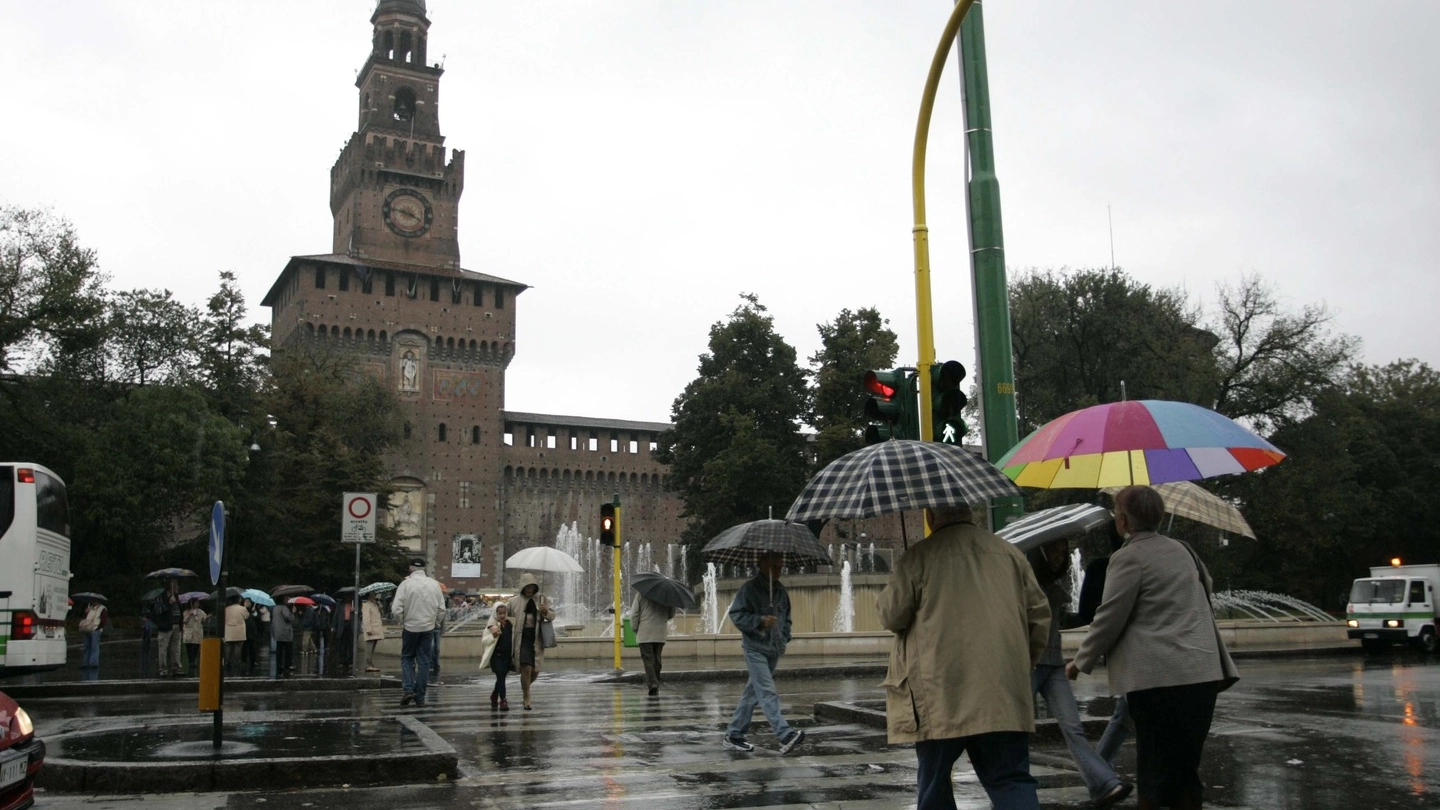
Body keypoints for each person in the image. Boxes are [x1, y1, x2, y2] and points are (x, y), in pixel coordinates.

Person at [1068, 485, 1239, 810]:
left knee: (1154, 768)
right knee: (1185, 768)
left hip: (1158, 682)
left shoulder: (1127, 558)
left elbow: (1109, 615)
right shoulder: (1185, 550)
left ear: (1122, 521)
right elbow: (1207, 587)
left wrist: (1079, 662)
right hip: (1202, 675)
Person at [877, 504, 1051, 810]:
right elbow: (1039, 617)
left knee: (935, 782)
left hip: (939, 691)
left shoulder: (918, 557)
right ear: (970, 512)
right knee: (1010, 779)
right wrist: (1025, 663)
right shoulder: (1010, 554)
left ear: (931, 516)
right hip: (1002, 690)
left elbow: (892, 616)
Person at [1028, 539, 1132, 807]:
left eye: (1063, 553)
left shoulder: (1054, 584)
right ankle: (1010, 790)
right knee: (1012, 729)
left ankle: (1104, 784)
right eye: (1054, 551)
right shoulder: (1026, 582)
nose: (1059, 558)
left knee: (1073, 728)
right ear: (1040, 552)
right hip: (1028, 665)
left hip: (1053, 665)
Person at [722, 552, 805, 755]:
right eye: (774, 567)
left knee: (753, 693)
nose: (778, 571)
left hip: (774, 648)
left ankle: (734, 734)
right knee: (767, 691)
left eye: (780, 567)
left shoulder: (780, 591)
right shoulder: (749, 589)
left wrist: (784, 636)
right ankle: (784, 734)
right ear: (761, 566)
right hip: (755, 648)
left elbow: (787, 618)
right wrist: (759, 620)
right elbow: (736, 614)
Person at [1073, 515, 1132, 766]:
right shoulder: (1178, 554)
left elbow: (1092, 615)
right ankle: (1100, 774)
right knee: (1125, 714)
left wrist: (1081, 660)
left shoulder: (1101, 568)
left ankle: (1099, 773)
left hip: (1127, 652)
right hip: (1170, 656)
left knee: (1125, 714)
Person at [391, 558, 445, 707]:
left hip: (410, 627)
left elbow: (396, 609)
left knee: (407, 658)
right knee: (424, 662)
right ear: (424, 569)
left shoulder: (405, 584)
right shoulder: (434, 585)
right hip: (428, 628)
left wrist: (403, 621)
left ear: (410, 568)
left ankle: (408, 689)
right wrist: (435, 623)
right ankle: (420, 696)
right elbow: (442, 609)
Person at [506, 573, 555, 711]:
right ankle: (527, 696)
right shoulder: (514, 601)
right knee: (526, 667)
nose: (529, 589)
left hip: (536, 638)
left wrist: (545, 612)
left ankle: (524, 687)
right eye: (527, 587)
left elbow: (552, 616)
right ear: (522, 587)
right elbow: (502, 613)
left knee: (535, 671)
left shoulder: (541, 599)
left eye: (532, 587)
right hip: (522, 639)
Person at [628, 591, 674, 696]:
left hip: (645, 633)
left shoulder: (640, 594)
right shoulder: (666, 594)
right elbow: (671, 613)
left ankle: (653, 684)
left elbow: (634, 614)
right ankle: (655, 682)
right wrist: (661, 619)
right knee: (657, 659)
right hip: (660, 633)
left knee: (648, 660)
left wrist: (635, 629)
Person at [479, 601, 514, 710]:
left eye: (504, 613)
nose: (502, 615)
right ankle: (503, 700)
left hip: (507, 656)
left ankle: (494, 694)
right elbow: (484, 641)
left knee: (501, 678)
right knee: (500, 677)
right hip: (496, 656)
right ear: (495, 614)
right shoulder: (491, 627)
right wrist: (493, 636)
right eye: (500, 613)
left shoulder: (510, 624)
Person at [153, 579, 184, 677]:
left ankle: (176, 667)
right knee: (163, 648)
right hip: (166, 626)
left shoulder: (177, 597)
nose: (177, 588)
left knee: (176, 648)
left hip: (176, 625)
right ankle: (162, 669)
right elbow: (158, 610)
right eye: (176, 586)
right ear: (171, 587)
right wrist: (169, 603)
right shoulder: (161, 597)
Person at [77, 599, 108, 669]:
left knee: (94, 647)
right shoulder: (90, 608)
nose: (93, 602)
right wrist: (86, 612)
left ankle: (93, 663)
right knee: (87, 647)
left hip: (95, 630)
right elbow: (87, 618)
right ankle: (85, 663)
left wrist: (98, 628)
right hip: (88, 629)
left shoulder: (102, 609)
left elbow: (104, 620)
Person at [182, 598, 208, 677]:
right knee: (189, 648)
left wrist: (206, 619)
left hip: (197, 633)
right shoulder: (186, 612)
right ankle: (190, 661)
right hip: (189, 633)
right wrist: (190, 615)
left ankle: (193, 661)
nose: (197, 604)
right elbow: (184, 621)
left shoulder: (201, 612)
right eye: (196, 603)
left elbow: (204, 621)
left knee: (195, 647)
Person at [224, 595, 249, 675]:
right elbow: (246, 616)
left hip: (228, 631)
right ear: (238, 600)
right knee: (238, 648)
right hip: (239, 631)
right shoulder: (242, 609)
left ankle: (227, 662)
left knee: (228, 647)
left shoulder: (226, 609)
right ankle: (235, 663)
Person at [271, 599, 295, 677]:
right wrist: (293, 612)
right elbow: (289, 618)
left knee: (279, 650)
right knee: (288, 650)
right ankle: (287, 665)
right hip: (285, 632)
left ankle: (279, 665)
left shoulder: (275, 608)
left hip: (277, 631)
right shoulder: (284, 608)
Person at [362, 592, 385, 672]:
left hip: (376, 630)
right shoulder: (367, 605)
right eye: (373, 595)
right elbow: (366, 618)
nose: (375, 596)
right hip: (371, 630)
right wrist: (368, 629)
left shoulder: (375, 605)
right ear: (369, 596)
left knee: (372, 647)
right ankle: (368, 664)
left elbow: (380, 615)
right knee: (369, 647)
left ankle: (370, 663)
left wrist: (380, 607)